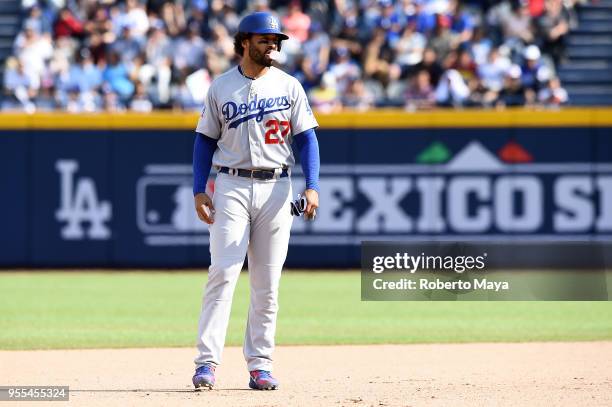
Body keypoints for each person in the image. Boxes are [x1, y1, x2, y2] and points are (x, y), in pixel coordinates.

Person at [191, 11, 320, 391]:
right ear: (244, 42)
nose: (273, 45)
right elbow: (204, 141)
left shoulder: (290, 86)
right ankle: (207, 363)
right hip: (230, 185)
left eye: (276, 40)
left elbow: (307, 139)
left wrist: (311, 185)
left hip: (278, 187)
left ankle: (260, 364)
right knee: (223, 273)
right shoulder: (221, 87)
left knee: (267, 282)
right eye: (265, 39)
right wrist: (200, 189)